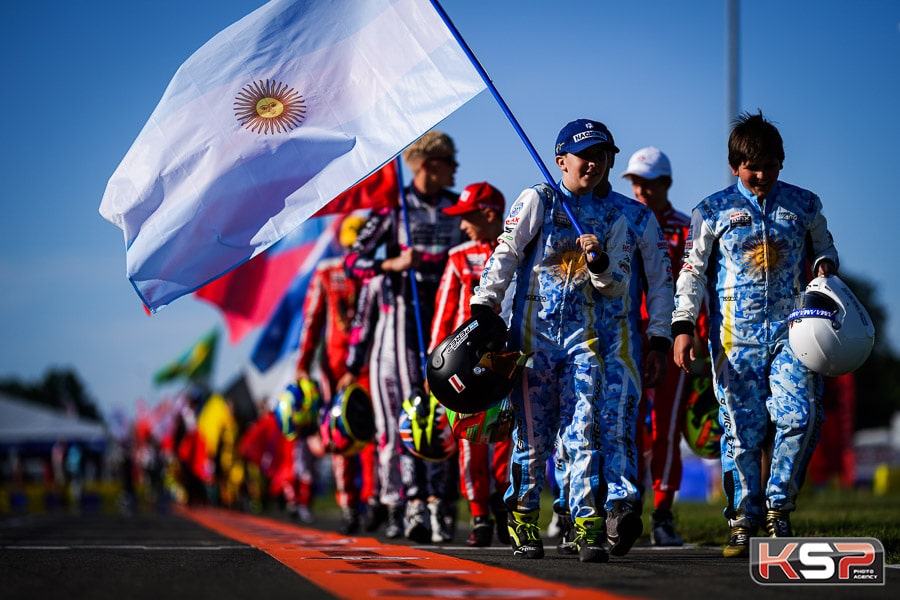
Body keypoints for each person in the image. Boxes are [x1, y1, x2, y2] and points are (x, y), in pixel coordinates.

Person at [671, 111, 838, 558]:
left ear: (782, 163)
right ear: (734, 167)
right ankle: (743, 519)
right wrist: (683, 326)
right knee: (742, 434)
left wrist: (824, 268)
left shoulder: (804, 204)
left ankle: (778, 509)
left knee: (799, 418)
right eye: (750, 166)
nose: (760, 174)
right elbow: (691, 271)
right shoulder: (712, 210)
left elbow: (825, 249)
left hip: (794, 336)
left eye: (768, 164)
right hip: (732, 342)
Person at [470, 119, 632, 562]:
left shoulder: (614, 215)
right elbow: (505, 251)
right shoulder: (538, 198)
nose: (594, 164)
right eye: (585, 155)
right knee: (533, 438)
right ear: (561, 161)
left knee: (581, 434)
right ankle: (522, 519)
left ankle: (586, 524)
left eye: (602, 155)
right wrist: (484, 306)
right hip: (531, 341)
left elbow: (616, 285)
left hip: (583, 341)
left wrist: (599, 263)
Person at [343, 130, 467, 543]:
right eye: (450, 162)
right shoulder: (393, 208)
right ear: (430, 165)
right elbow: (353, 263)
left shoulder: (455, 207)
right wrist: (395, 262)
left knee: (447, 409)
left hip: (448, 321)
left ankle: (442, 503)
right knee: (410, 411)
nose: (455, 170)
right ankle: (407, 503)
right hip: (403, 323)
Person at [621, 146, 707, 546]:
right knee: (625, 425)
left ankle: (663, 513)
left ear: (666, 184)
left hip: (671, 341)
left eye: (649, 183)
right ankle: (624, 508)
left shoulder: (684, 228)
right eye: (635, 182)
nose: (641, 190)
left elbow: (697, 285)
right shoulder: (621, 222)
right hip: (625, 339)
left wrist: (698, 335)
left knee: (666, 429)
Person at [428, 181, 512, 547]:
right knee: (469, 441)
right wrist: (435, 368)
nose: (462, 225)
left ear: (489, 215)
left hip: (508, 361)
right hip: (464, 369)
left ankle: (506, 507)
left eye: (467, 217)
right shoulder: (459, 256)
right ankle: (479, 516)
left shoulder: (519, 250)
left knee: (509, 439)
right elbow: (444, 313)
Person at [295, 214, 377, 534]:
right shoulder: (326, 272)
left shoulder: (374, 272)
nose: (354, 247)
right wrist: (303, 364)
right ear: (342, 241)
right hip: (334, 368)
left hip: (369, 364)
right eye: (351, 240)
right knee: (340, 435)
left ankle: (372, 501)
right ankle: (348, 505)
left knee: (372, 435)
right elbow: (312, 320)